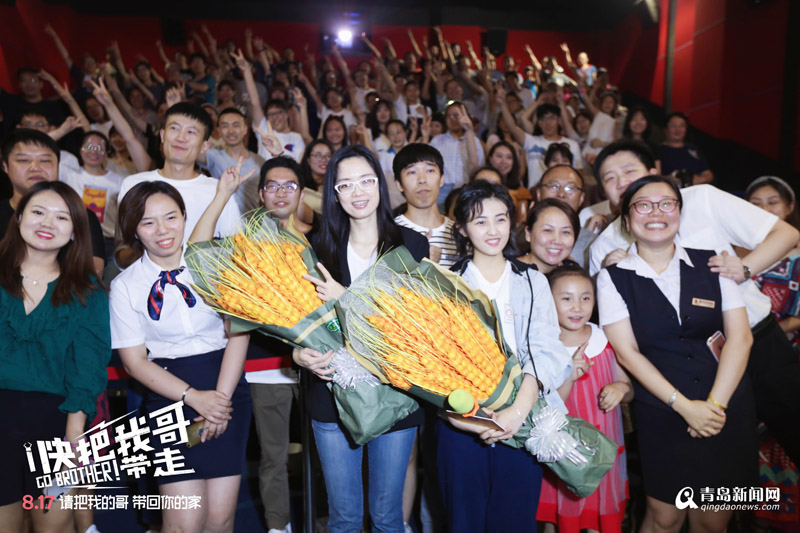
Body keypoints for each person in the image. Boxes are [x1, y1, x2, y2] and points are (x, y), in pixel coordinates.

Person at [589, 142, 800, 470]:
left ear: (654, 171)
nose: (621, 182)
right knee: (713, 471)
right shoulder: (603, 246)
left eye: (629, 171)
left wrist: (745, 269)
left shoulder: (702, 199)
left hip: (756, 340)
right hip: (681, 371)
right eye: (609, 178)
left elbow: (784, 233)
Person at [598, 176, 757, 533]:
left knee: (713, 521)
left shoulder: (714, 264)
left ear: (679, 214)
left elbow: (741, 339)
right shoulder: (612, 278)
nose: (656, 212)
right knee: (664, 518)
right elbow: (627, 353)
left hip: (726, 405)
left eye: (667, 203)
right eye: (643, 205)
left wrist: (713, 407)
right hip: (663, 409)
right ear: (627, 220)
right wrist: (685, 407)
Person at [291, 145, 428, 533]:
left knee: (387, 516)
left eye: (366, 181)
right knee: (345, 517)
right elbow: (299, 320)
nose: (358, 192)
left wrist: (345, 298)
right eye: (346, 184)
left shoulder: (411, 245)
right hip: (331, 394)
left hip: (394, 393)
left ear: (381, 184)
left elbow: (413, 326)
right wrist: (299, 355)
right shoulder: (316, 247)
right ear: (334, 193)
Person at [110, 181, 250, 533]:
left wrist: (219, 401)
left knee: (220, 521)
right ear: (134, 231)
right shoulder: (126, 286)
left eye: (171, 217)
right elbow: (134, 362)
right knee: (183, 522)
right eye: (148, 222)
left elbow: (239, 333)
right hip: (169, 397)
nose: (162, 230)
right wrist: (194, 398)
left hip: (226, 386)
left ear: (185, 217)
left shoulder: (214, 264)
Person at [441, 179, 571, 533]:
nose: (493, 230)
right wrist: (471, 421)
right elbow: (437, 361)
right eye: (480, 221)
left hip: (522, 418)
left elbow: (546, 350)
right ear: (463, 229)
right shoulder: (445, 282)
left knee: (514, 521)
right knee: (464, 522)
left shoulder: (532, 280)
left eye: (500, 219)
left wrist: (516, 412)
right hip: (463, 421)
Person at [0, 181, 110, 533]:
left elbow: (87, 366)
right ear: (19, 217)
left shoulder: (87, 291)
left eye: (62, 217)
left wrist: (73, 436)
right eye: (38, 212)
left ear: (75, 231)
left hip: (56, 423)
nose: (48, 223)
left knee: (54, 528)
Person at [539, 264, 631, 533]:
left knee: (598, 517)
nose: (577, 307)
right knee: (558, 519)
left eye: (585, 298)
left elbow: (629, 388)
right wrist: (568, 377)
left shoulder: (605, 339)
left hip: (602, 453)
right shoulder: (544, 345)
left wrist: (621, 388)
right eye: (566, 298)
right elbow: (546, 408)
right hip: (563, 453)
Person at [116, 102, 241, 267]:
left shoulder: (220, 191)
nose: (181, 138)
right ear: (162, 135)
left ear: (204, 146)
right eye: (174, 128)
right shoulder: (133, 184)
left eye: (191, 132)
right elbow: (122, 250)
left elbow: (234, 253)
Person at [2, 128, 106, 275]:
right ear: (5, 166)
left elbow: (94, 270)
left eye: (45, 160)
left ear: (58, 165)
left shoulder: (81, 215)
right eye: (24, 160)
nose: (35, 168)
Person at [59, 130, 125, 260]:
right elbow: (42, 149)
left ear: (107, 152)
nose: (93, 151)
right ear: (80, 149)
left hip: (106, 242)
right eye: (89, 146)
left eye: (99, 148)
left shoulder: (119, 181)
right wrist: (65, 128)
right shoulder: (69, 174)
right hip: (72, 237)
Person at [393, 144, 459, 268]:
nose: (422, 179)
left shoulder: (460, 233)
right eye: (412, 172)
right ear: (399, 184)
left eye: (430, 170)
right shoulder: (390, 234)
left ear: (441, 179)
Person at [198, 107, 265, 213]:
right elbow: (188, 151)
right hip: (224, 221)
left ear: (245, 129)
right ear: (219, 131)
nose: (231, 131)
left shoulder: (260, 161)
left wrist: (277, 153)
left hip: (255, 221)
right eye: (225, 126)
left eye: (236, 125)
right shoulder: (214, 156)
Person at [536, 165, 596, 268]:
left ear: (581, 198)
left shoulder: (592, 243)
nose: (561, 194)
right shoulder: (518, 236)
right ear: (539, 194)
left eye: (570, 188)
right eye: (554, 186)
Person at [429, 102, 484, 207]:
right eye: (449, 116)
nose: (452, 119)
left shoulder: (474, 141)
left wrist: (469, 130)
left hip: (465, 189)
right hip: (441, 191)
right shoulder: (437, 140)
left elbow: (478, 167)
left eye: (456, 115)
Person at [518, 198, 580, 275]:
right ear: (528, 234)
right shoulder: (508, 273)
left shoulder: (573, 273)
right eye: (548, 230)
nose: (557, 241)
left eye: (565, 232)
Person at [657, 112, 712, 186]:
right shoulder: (658, 150)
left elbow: (709, 174)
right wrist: (667, 179)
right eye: (673, 125)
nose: (678, 129)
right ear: (665, 129)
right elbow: (652, 176)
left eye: (681, 126)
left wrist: (700, 179)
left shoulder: (693, 149)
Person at [488, 141, 531, 224]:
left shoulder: (520, 192)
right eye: (499, 156)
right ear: (490, 159)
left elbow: (522, 222)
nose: (504, 161)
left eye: (509, 157)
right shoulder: (480, 182)